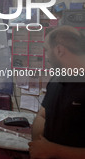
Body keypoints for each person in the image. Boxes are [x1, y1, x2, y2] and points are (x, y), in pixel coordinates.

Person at [28, 25, 85, 159]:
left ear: (59, 50)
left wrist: (54, 151)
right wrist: (38, 144)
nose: (46, 56)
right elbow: (43, 114)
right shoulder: (57, 79)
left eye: (46, 50)